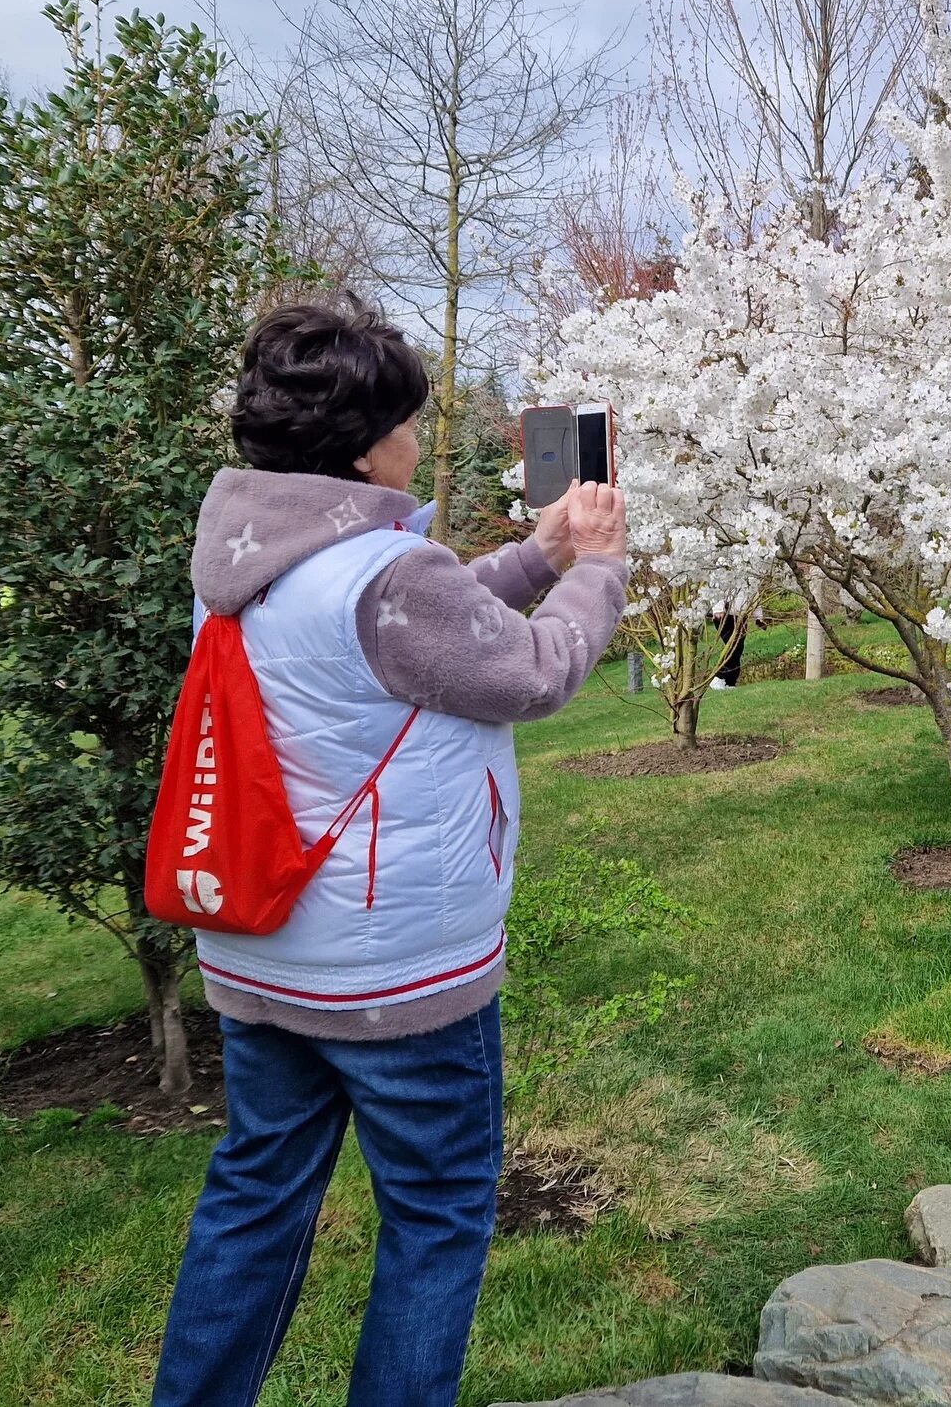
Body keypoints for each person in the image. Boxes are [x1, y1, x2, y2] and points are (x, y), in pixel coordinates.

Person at [152, 294, 628, 1407]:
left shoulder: (247, 555)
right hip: (396, 970)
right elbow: (529, 673)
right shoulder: (383, 575)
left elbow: (422, 634)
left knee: (258, 1193)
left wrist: (538, 551)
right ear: (367, 444)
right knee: (437, 1211)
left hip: (268, 952)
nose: (417, 442)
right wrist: (599, 567)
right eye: (409, 423)